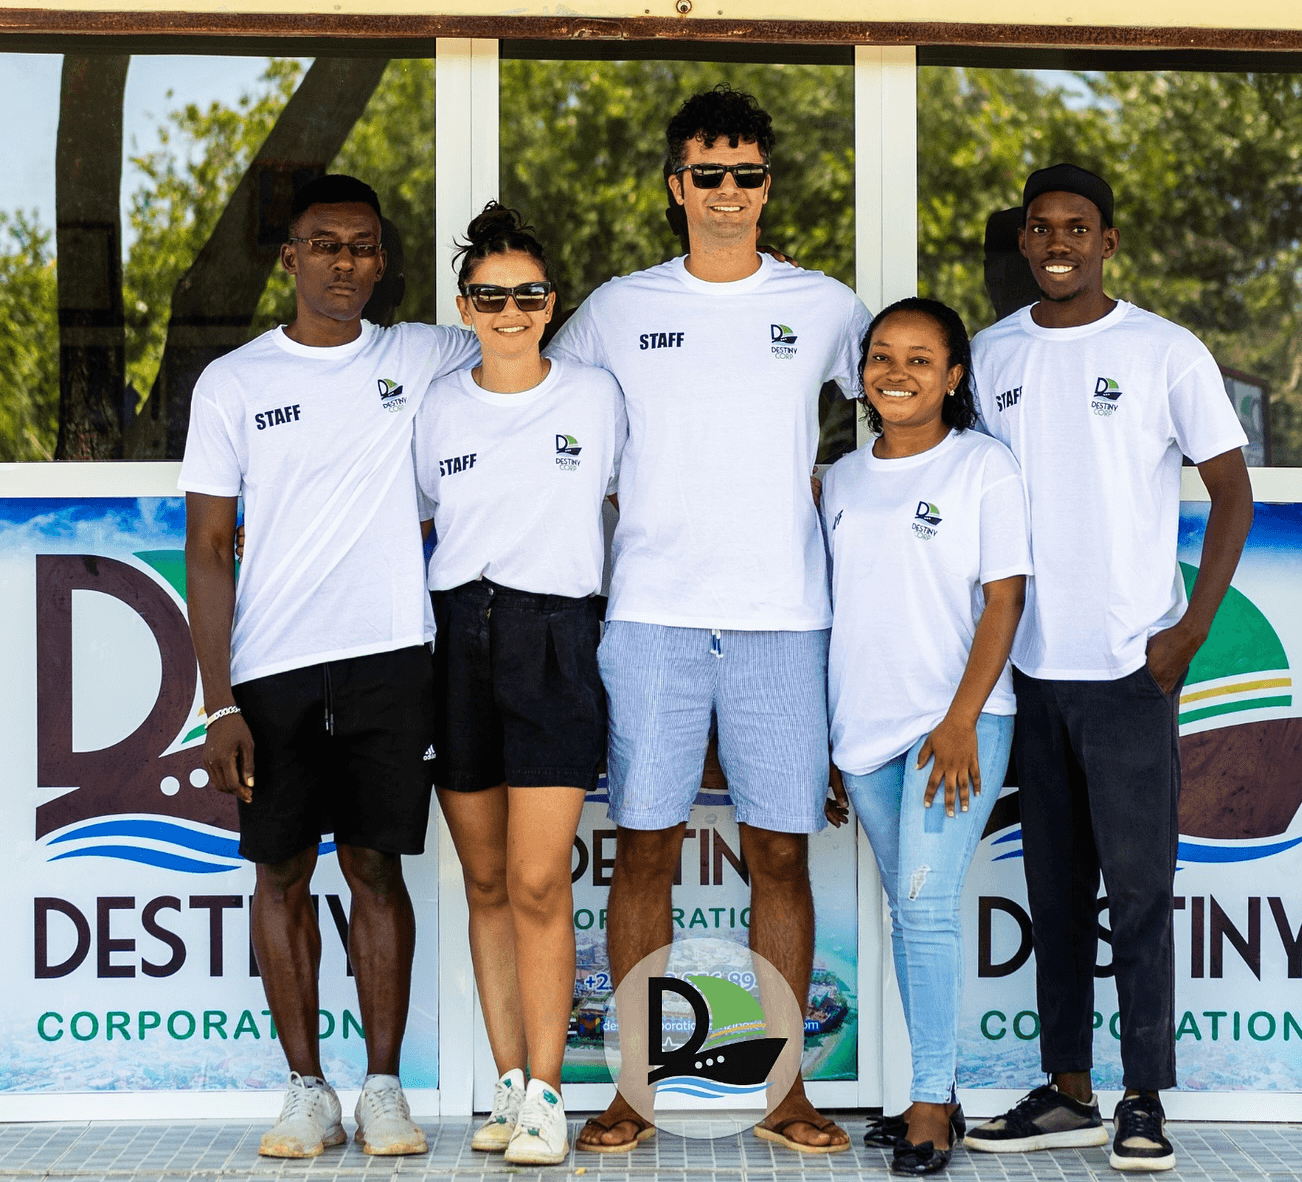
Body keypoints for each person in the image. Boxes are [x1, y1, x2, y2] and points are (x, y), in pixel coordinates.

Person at [548, 84, 871, 1157]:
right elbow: (557, 430)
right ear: (676, 185)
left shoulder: (827, 306)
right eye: (709, 174)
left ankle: (784, 1095)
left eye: (749, 174)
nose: (730, 193)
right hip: (653, 616)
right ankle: (632, 1092)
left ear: (768, 185)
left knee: (779, 857)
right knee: (642, 853)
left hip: (786, 617)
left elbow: (892, 422)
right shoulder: (614, 310)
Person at [182, 174, 480, 1160]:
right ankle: (306, 1090)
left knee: (374, 869)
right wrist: (218, 703)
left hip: (393, 658)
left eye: (361, 246)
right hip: (272, 670)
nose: (343, 262)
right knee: (278, 873)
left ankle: (383, 1090)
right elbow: (208, 548)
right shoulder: (233, 383)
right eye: (323, 244)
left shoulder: (421, 355)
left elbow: (522, 340)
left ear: (383, 261)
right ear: (289, 259)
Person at [963, 164, 1253, 1172]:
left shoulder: (1163, 350)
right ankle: (1067, 1090)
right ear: (1025, 242)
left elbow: (1232, 494)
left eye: (1076, 228)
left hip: (1131, 670)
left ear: (1107, 242)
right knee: (1052, 893)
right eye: (1041, 227)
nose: (1058, 242)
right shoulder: (991, 353)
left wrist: (1190, 633)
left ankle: (1143, 1098)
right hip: (1027, 672)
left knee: (1136, 891)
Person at [414, 205, 626, 1167]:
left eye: (528, 294)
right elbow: (421, 518)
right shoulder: (440, 405)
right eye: (491, 295)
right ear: (466, 307)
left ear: (552, 303)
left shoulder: (596, 396)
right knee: (487, 880)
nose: (510, 309)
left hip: (555, 638)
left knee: (542, 882)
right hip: (457, 637)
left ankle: (549, 1096)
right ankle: (508, 1087)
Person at [824, 298, 1030, 1177]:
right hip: (862, 735)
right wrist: (835, 745)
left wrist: (958, 719)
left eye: (918, 358)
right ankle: (935, 1096)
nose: (895, 372)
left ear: (953, 377)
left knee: (924, 906)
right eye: (880, 356)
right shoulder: (840, 476)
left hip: (957, 724)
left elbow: (1005, 599)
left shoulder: (983, 467)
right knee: (912, 920)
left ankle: (927, 1104)